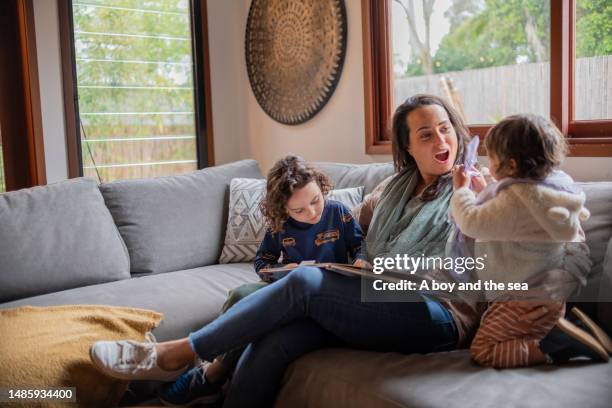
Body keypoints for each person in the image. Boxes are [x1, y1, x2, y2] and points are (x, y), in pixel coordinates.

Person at [89, 95, 598, 407]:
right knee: (284, 334)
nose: (440, 138)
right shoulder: (392, 191)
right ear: (409, 148)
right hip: (377, 296)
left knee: (308, 285)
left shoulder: (481, 191)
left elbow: (541, 217)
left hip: (442, 313)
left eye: (446, 128)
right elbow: (338, 219)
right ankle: (214, 390)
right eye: (426, 134)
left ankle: (178, 354)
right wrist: (311, 232)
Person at [156, 154, 367, 405]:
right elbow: (262, 263)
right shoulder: (279, 226)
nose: (311, 212)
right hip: (286, 290)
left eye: (315, 201)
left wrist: (360, 261)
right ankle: (214, 371)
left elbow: (359, 246)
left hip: (329, 291)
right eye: (299, 210)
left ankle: (211, 375)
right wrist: (281, 268)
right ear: (283, 209)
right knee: (240, 295)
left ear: (322, 189)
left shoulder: (338, 212)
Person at [450, 114, 608, 367]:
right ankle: (570, 329)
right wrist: (486, 190)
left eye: (491, 158)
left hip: (519, 300)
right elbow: (516, 222)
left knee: (483, 350)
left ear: (511, 165)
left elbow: (471, 221)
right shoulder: (552, 191)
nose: (488, 165)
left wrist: (461, 191)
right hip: (542, 299)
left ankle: (556, 347)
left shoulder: (514, 201)